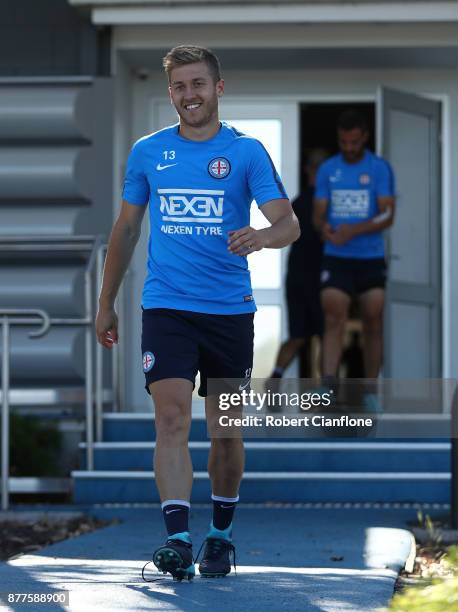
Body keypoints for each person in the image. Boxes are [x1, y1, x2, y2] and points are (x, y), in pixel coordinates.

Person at [95, 45, 299, 581]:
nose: (190, 95)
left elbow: (288, 224)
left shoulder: (248, 152)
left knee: (226, 433)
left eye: (198, 84)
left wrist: (260, 236)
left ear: (218, 88)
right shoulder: (147, 152)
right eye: (180, 86)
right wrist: (106, 303)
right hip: (167, 307)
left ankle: (220, 535)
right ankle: (178, 540)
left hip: (230, 313)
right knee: (170, 418)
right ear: (171, 93)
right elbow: (127, 229)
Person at [313, 109, 395, 413]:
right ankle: (328, 386)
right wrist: (325, 228)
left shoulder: (379, 168)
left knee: (374, 318)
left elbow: (388, 214)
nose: (348, 147)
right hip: (337, 258)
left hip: (370, 257)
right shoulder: (328, 170)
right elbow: (318, 212)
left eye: (354, 142)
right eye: (344, 142)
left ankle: (371, 390)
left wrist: (353, 230)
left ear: (364, 138)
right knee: (334, 314)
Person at [266, 148, 328, 389]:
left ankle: (276, 377)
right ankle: (325, 392)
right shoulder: (326, 204)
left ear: (306, 170)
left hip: (296, 277)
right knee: (327, 335)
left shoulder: (295, 205)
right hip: (319, 277)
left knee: (297, 336)